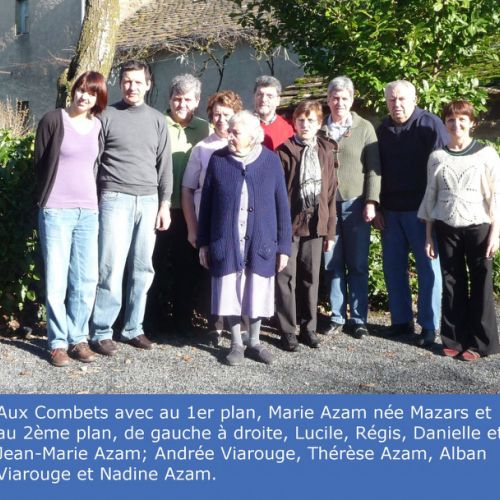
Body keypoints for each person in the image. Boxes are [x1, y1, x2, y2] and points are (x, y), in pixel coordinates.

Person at [90, 60, 172, 356]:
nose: (132, 87)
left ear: (148, 85)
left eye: (138, 82)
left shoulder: (157, 120)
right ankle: (101, 331)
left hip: (148, 201)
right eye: (127, 81)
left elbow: (164, 166)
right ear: (119, 83)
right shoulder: (105, 116)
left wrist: (165, 204)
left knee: (142, 268)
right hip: (114, 199)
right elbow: (94, 162)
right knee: (110, 267)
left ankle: (133, 328)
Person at [197, 110, 292, 365]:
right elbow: (206, 205)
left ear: (253, 135)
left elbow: (282, 206)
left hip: (261, 242)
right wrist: (203, 243)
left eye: (236, 132)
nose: (229, 136)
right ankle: (236, 343)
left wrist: (284, 247)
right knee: (230, 290)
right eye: (229, 131)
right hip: (226, 242)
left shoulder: (270, 161)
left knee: (257, 290)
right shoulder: (218, 160)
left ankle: (255, 342)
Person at [35, 71, 108, 367]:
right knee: (57, 279)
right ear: (73, 90)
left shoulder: (98, 125)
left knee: (86, 279)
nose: (83, 96)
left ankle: (78, 339)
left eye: (91, 92)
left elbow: (96, 166)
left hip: (88, 211)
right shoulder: (53, 120)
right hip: (55, 210)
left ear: (98, 98)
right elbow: (40, 163)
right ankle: (57, 343)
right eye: (80, 89)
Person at [418, 100, 500, 360]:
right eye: (451, 120)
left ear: (472, 122)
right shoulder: (437, 157)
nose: (456, 124)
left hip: (479, 227)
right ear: (445, 124)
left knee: (481, 283)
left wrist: (495, 233)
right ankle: (454, 339)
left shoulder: (486, 154)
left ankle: (480, 344)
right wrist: (429, 236)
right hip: (446, 227)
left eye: (462, 119)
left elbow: (496, 196)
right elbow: (430, 198)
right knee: (451, 282)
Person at [374, 80, 448, 347]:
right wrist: (377, 206)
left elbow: (442, 170)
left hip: (422, 213)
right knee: (394, 268)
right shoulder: (382, 130)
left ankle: (429, 325)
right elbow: (375, 172)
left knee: (429, 270)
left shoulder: (430, 125)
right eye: (392, 100)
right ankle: (401, 320)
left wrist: (434, 212)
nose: (397, 104)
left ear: (415, 99)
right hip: (391, 211)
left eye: (402, 99)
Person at [148, 74, 210, 335]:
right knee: (155, 265)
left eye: (187, 99)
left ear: (196, 101)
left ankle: (183, 321)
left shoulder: (205, 129)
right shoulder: (156, 123)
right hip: (159, 207)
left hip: (190, 211)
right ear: (169, 99)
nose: (181, 104)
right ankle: (152, 321)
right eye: (177, 98)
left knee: (187, 267)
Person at [321, 76, 381, 340]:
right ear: (328, 99)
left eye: (344, 98)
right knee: (331, 262)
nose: (339, 103)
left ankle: (358, 318)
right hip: (326, 207)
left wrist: (371, 201)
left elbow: (374, 169)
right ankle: (336, 316)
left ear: (352, 99)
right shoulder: (319, 128)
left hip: (355, 203)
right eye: (335, 98)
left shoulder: (364, 128)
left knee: (357, 263)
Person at [275, 100, 337, 351]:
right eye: (301, 120)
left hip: (316, 222)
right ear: (294, 123)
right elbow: (278, 193)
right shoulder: (284, 151)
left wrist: (330, 230)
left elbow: (331, 192)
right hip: (290, 223)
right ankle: (287, 329)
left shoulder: (326, 150)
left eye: (311, 120)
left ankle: (308, 327)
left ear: (319, 123)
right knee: (286, 276)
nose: (305, 125)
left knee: (311, 277)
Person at [182, 91, 243, 340]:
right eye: (216, 114)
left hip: (239, 221)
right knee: (212, 273)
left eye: (226, 115)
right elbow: (187, 189)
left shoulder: (247, 145)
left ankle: (239, 323)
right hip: (209, 222)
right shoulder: (202, 148)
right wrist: (192, 228)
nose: (221, 120)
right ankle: (215, 324)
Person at [253, 75, 294, 150]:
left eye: (269, 96)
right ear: (254, 97)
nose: (263, 99)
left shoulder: (290, 128)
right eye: (259, 94)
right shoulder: (242, 126)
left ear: (278, 100)